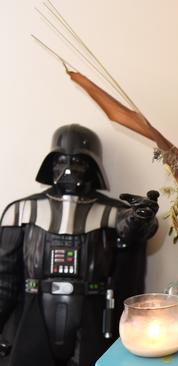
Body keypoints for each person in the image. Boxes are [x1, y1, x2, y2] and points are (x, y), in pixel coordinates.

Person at [0, 124, 159, 366]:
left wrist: (141, 218)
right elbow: (4, 279)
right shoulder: (21, 211)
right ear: (50, 163)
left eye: (79, 162)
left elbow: (133, 235)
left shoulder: (113, 212)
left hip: (92, 314)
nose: (69, 169)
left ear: (92, 166)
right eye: (62, 160)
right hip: (34, 314)